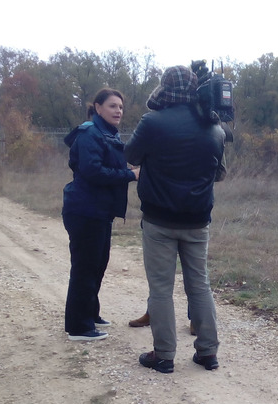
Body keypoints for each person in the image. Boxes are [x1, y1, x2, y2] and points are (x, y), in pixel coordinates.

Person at [125, 65, 227, 373]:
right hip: (197, 220)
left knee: (160, 288)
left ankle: (164, 355)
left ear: (163, 87)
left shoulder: (152, 122)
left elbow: (131, 155)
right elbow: (218, 173)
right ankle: (208, 352)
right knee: (200, 285)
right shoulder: (214, 127)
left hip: (159, 219)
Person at [62, 88, 139, 341]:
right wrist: (130, 175)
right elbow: (93, 171)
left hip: (100, 211)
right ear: (98, 108)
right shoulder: (89, 133)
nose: (118, 111)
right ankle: (79, 327)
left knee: (98, 265)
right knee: (85, 268)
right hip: (85, 210)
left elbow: (106, 164)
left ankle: (90, 314)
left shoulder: (107, 134)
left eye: (120, 107)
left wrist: (126, 167)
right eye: (112, 106)